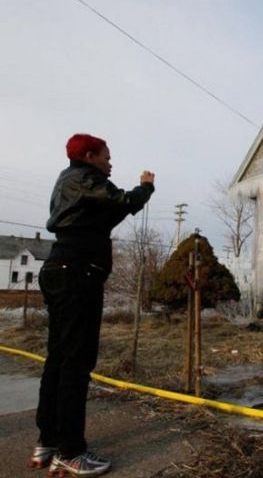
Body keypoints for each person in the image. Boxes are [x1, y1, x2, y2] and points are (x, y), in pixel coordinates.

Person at [30, 134, 155, 477]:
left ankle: (48, 442)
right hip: (77, 274)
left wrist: (133, 200)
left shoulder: (67, 182)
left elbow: (110, 213)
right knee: (76, 363)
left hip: (61, 269)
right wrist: (146, 187)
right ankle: (71, 452)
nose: (110, 163)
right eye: (106, 157)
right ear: (89, 156)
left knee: (59, 358)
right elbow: (123, 200)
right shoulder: (87, 179)